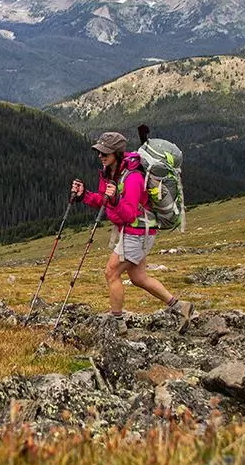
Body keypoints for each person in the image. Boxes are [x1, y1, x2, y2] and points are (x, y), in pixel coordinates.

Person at [71, 131, 194, 335]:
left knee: (111, 273)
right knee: (138, 278)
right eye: (99, 152)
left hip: (137, 232)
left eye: (105, 152)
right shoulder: (109, 172)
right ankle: (181, 307)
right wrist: (84, 195)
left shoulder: (134, 177)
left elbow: (128, 213)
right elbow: (104, 200)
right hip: (134, 231)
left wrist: (114, 200)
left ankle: (118, 324)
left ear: (117, 153)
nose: (101, 156)